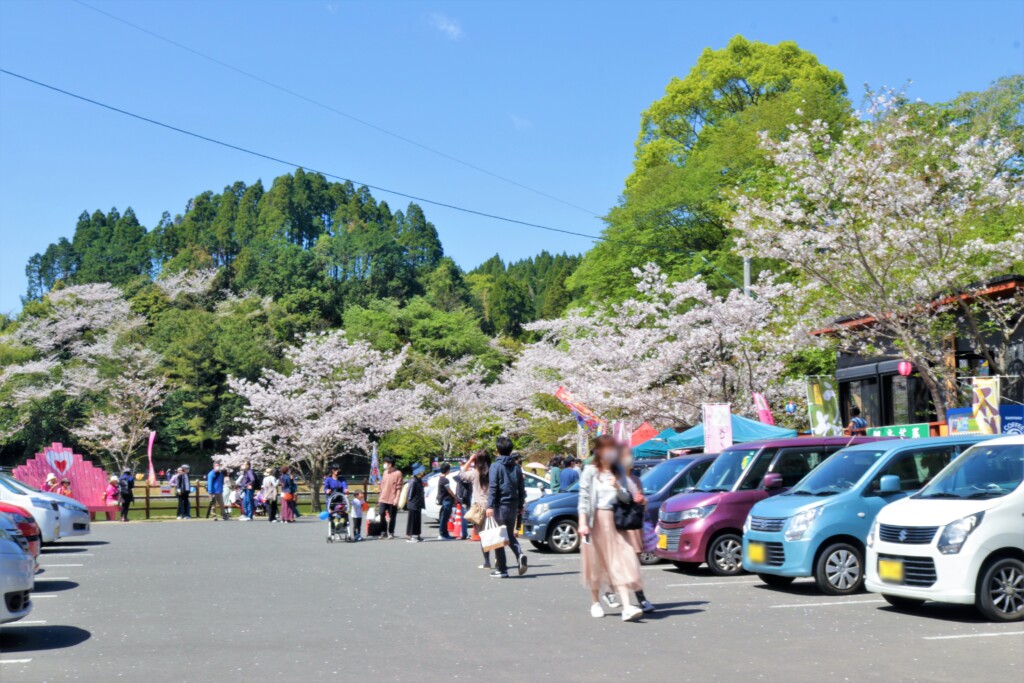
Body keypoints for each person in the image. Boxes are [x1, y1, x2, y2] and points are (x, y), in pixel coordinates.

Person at [578, 434, 644, 621]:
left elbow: (627, 498)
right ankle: (595, 602)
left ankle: (627, 606)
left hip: (616, 521)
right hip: (596, 521)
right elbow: (583, 499)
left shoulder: (619, 472)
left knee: (622, 561)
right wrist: (583, 522)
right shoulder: (590, 471)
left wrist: (617, 487)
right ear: (598, 451)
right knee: (596, 563)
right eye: (606, 449)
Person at [602, 448, 655, 613]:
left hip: (634, 526)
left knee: (633, 563)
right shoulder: (612, 480)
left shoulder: (636, 480)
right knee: (623, 564)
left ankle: (615, 593)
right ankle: (639, 598)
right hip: (618, 527)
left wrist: (643, 501)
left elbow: (643, 505)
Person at [486, 436, 527, 579]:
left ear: (497, 450)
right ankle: (519, 554)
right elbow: (521, 488)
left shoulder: (495, 466)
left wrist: (489, 505)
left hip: (499, 506)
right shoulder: (516, 467)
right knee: (509, 534)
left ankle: (502, 569)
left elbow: (493, 487)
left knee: (498, 537)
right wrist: (521, 505)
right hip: (513, 505)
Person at [460, 450, 492, 568]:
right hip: (492, 506)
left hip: (479, 508)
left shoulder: (474, 473)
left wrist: (470, 460)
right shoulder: (493, 472)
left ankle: (487, 561)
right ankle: (499, 558)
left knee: (484, 536)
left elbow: (461, 474)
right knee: (494, 533)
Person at [377, 457, 403, 539]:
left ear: (390, 464)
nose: (384, 465)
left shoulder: (398, 473)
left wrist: (397, 498)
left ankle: (391, 532)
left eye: (386, 463)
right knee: (381, 513)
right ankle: (383, 531)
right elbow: (382, 485)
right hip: (383, 497)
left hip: (392, 498)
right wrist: (380, 496)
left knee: (392, 517)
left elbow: (399, 487)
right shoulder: (385, 472)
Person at [435, 463, 457, 541]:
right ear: (447, 470)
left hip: (445, 500)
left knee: (445, 518)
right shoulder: (445, 480)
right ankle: (443, 534)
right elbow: (449, 490)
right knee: (444, 518)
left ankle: (445, 533)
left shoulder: (441, 478)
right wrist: (455, 497)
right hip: (446, 500)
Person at [405, 464, 426, 543]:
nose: (423, 473)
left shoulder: (419, 480)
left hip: (418, 503)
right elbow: (410, 493)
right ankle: (409, 536)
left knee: (417, 520)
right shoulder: (413, 480)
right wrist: (409, 502)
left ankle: (417, 535)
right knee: (412, 520)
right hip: (413, 503)